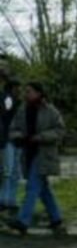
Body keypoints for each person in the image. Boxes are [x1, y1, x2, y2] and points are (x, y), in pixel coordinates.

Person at [5, 82, 66, 236]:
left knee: (32, 187)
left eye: (29, 91)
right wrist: (18, 137)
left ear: (39, 93)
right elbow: (13, 129)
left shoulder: (50, 111)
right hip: (29, 154)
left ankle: (23, 221)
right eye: (26, 91)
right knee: (43, 189)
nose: (26, 94)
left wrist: (41, 137)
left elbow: (60, 131)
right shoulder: (23, 110)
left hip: (44, 154)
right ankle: (56, 219)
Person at [1, 77, 21, 212]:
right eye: (17, 88)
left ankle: (9, 199)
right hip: (9, 138)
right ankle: (5, 199)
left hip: (14, 139)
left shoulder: (16, 101)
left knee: (13, 171)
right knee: (9, 171)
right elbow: (6, 112)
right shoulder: (8, 99)